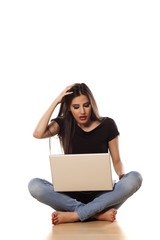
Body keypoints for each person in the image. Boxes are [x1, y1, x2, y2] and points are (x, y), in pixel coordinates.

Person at [28, 83, 142, 225]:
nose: (82, 111)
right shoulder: (63, 123)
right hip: (71, 196)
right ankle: (95, 213)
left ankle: (75, 215)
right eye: (76, 107)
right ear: (69, 108)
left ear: (92, 104)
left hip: (102, 196)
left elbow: (117, 160)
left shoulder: (108, 125)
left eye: (86, 105)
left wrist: (121, 175)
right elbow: (38, 134)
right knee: (35, 186)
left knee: (135, 178)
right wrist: (56, 101)